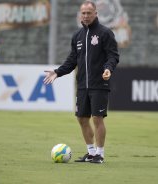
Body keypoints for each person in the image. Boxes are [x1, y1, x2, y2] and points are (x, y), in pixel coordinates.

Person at [43, 0, 119, 164]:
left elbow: (113, 55)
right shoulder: (77, 36)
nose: (85, 16)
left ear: (95, 14)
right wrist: (58, 72)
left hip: (99, 84)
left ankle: (100, 154)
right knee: (82, 118)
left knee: (97, 118)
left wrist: (108, 69)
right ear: (80, 14)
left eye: (88, 13)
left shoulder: (105, 33)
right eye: (83, 13)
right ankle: (91, 153)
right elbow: (72, 60)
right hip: (82, 85)